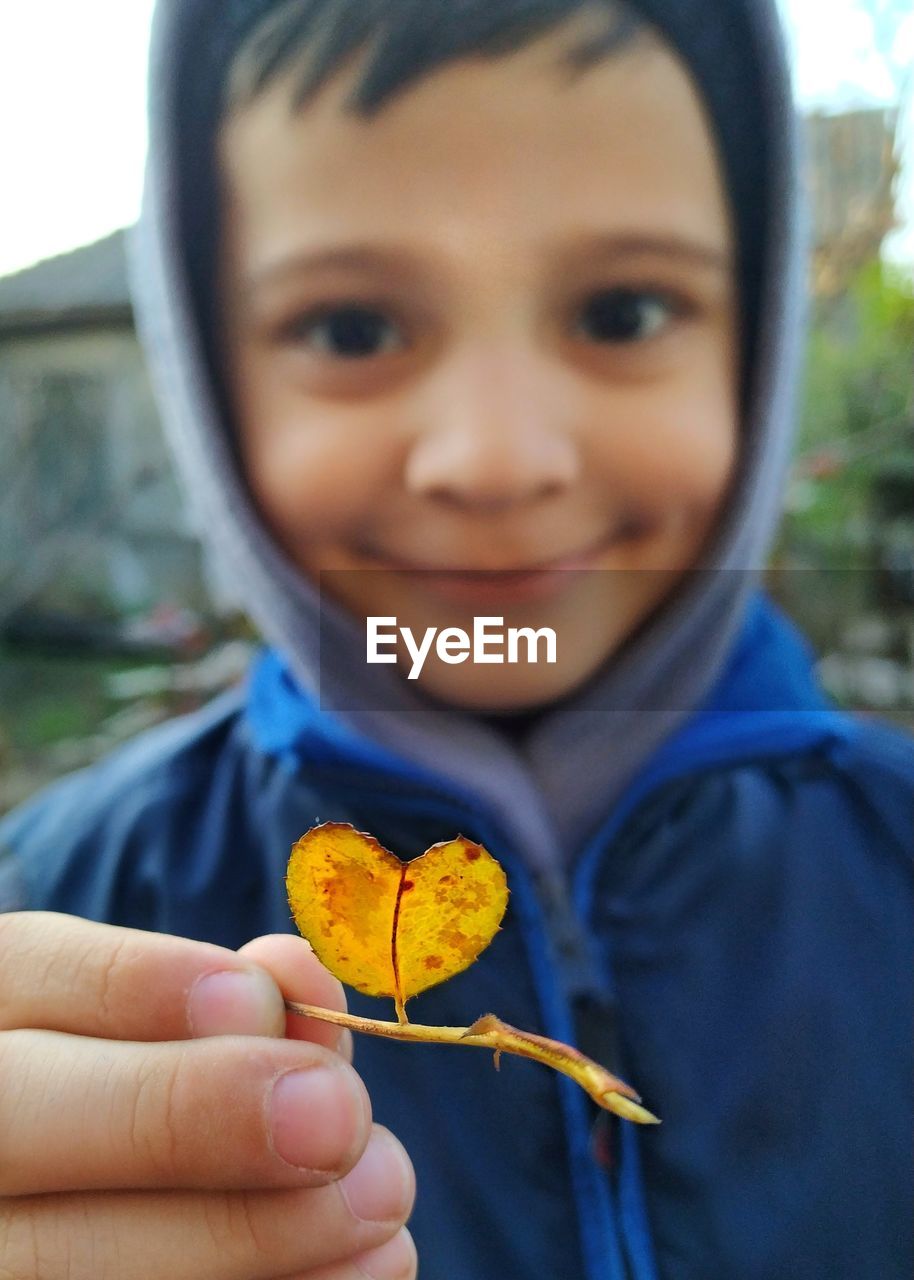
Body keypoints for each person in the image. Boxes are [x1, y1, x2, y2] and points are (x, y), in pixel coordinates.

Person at [0, 0, 911, 1276]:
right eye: (353, 329)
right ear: (206, 378)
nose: (495, 460)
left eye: (624, 311)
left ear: (754, 349)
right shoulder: (61, 899)